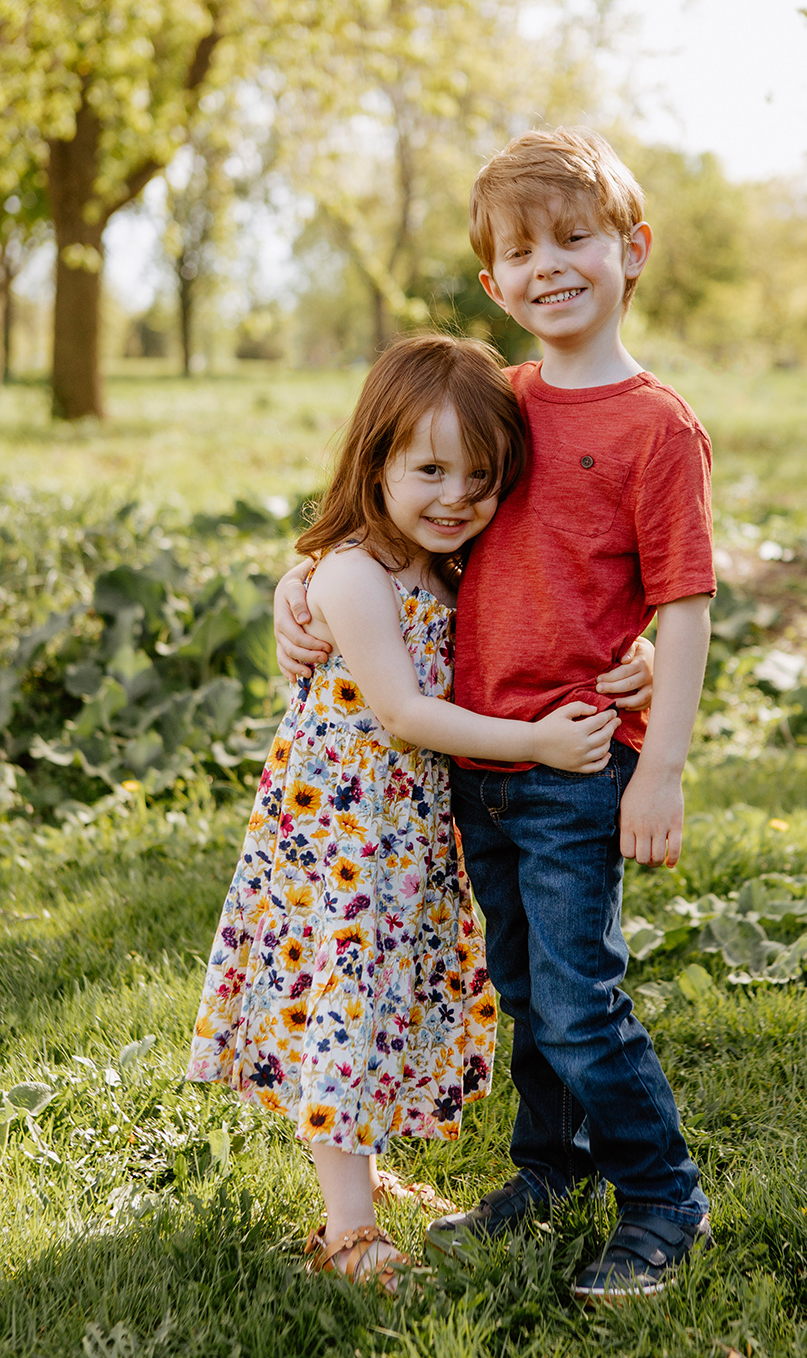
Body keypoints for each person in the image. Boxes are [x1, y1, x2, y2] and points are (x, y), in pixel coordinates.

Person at [275, 128, 716, 1301]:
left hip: (575, 757)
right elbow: (391, 484)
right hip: (477, 762)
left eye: (577, 238)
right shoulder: (496, 397)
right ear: (491, 283)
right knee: (522, 988)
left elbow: (681, 606)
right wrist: (298, 579)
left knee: (581, 1000)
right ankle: (550, 1165)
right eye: (521, 251)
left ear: (634, 249)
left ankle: (663, 1195)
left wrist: (659, 762)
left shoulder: (656, 427)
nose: (550, 267)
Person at [186, 332, 625, 1292]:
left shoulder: (451, 569)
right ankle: (348, 1232)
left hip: (405, 837)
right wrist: (542, 744)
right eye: (428, 469)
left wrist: (619, 665)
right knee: (346, 1007)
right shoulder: (351, 574)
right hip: (341, 836)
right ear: (374, 459)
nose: (457, 497)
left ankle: (360, 1177)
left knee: (382, 1006)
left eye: (480, 475)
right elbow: (406, 712)